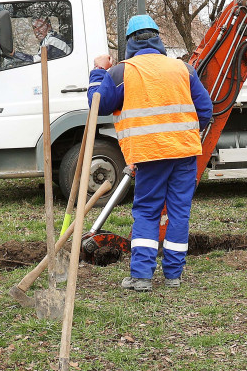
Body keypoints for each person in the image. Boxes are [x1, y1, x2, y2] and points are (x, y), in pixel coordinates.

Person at [87, 15, 213, 292]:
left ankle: (142, 276)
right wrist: (183, 134)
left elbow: (99, 104)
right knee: (179, 214)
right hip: (184, 153)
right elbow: (206, 112)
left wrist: (98, 71)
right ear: (158, 38)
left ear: (130, 42)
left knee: (147, 212)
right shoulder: (184, 69)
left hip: (148, 154)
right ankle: (173, 276)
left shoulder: (121, 72)